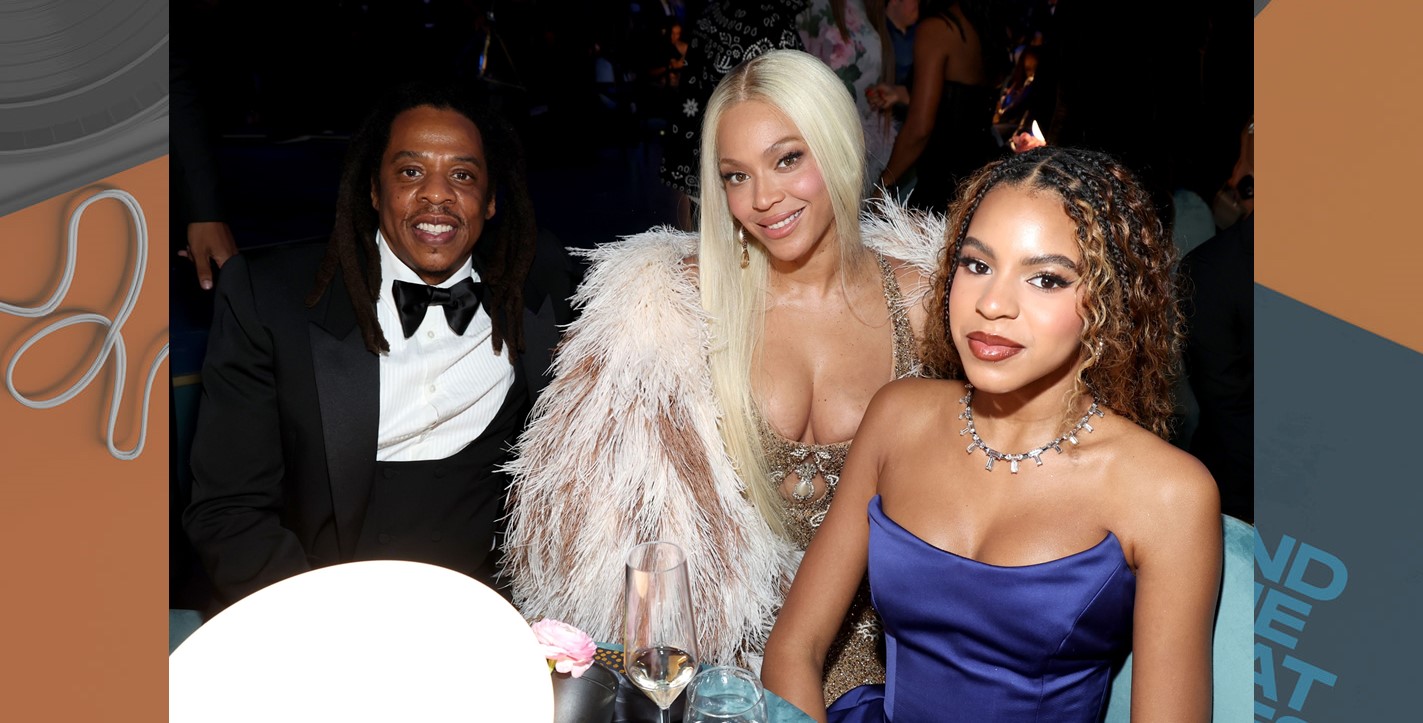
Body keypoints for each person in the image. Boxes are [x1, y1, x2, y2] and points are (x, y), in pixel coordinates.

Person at [502, 50, 943, 704]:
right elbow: (600, 526)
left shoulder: (926, 302)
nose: (763, 199)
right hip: (726, 673)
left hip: (891, 664)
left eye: (787, 159)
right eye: (736, 175)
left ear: (840, 146)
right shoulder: (677, 308)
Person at [763, 147, 1222, 722]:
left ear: (1108, 302)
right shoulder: (896, 417)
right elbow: (793, 649)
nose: (993, 304)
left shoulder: (1167, 493)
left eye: (1046, 279)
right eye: (977, 265)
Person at [183, 80, 571, 608]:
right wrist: (328, 625)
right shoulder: (271, 301)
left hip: (487, 614)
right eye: (411, 172)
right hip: (316, 609)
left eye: (462, 175)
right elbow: (229, 511)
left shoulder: (538, 286)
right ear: (373, 190)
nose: (437, 194)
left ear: (490, 201)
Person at [876, 0, 1005, 212]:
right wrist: (902, 94)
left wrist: (882, 185)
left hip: (943, 182)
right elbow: (963, 101)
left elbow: (919, 129)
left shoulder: (939, 29)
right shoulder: (988, 28)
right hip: (981, 176)